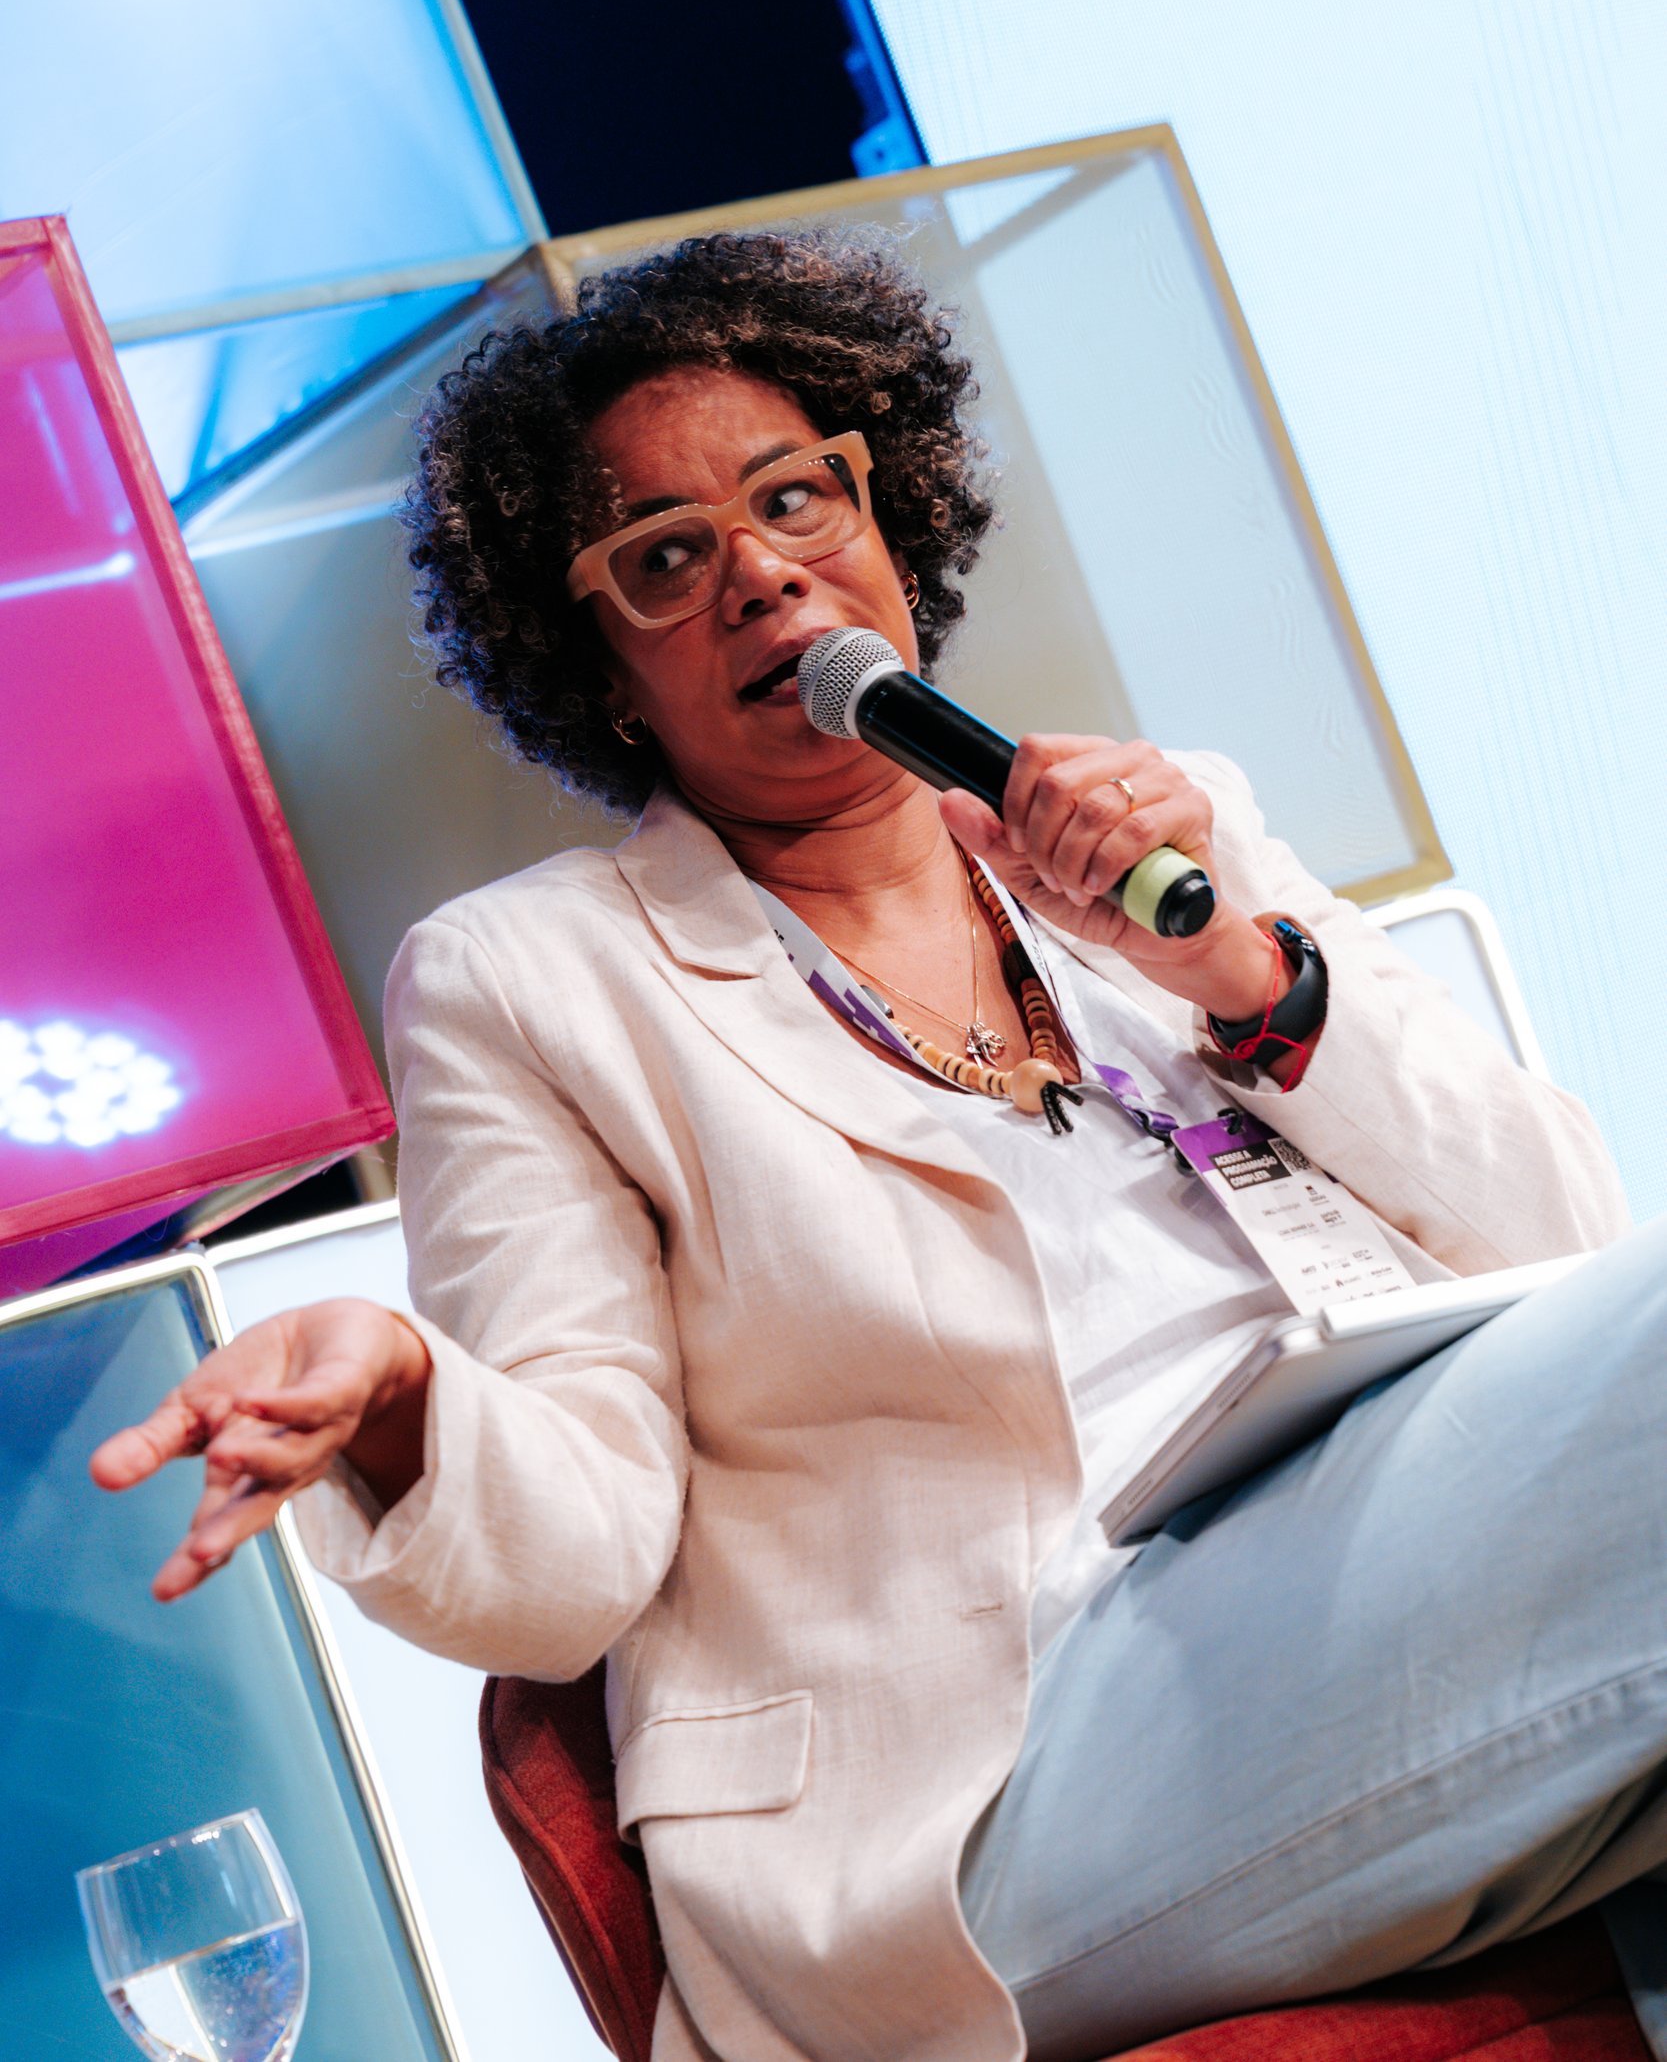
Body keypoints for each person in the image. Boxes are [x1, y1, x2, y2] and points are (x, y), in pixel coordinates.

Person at [93, 232, 1663, 2062]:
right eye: (664, 556)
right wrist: (402, 1402)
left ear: (890, 528)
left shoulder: (1160, 832)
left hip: (1388, 1545)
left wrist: (1241, 974)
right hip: (1001, 1779)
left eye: (795, 499)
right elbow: (578, 1554)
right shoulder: (534, 981)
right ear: (601, 668)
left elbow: (1561, 1236)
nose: (761, 571)